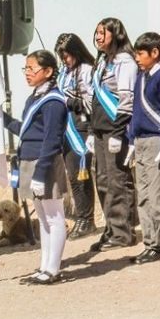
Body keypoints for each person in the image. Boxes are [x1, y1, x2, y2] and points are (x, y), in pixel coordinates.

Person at [4, 50, 70, 284]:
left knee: (54, 216)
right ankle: (44, 266)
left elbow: (52, 139)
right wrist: (3, 119)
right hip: (29, 160)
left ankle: (53, 270)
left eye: (32, 68)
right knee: (42, 218)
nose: (27, 73)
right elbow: (28, 131)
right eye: (26, 68)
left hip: (45, 162)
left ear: (48, 71)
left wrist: (41, 173)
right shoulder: (34, 98)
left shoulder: (53, 102)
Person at [128, 32, 160, 264]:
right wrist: (131, 140)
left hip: (157, 142)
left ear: (155, 53)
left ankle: (159, 244)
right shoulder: (142, 76)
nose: (137, 58)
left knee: (157, 195)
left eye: (140, 53)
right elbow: (136, 110)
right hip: (140, 141)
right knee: (144, 194)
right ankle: (149, 242)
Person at [88, 18, 138, 253]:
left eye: (103, 33)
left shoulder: (125, 62)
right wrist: (91, 130)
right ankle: (111, 227)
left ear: (116, 35)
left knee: (117, 180)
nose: (98, 37)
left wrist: (118, 133)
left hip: (115, 129)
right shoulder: (102, 61)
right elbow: (94, 97)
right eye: (97, 33)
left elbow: (127, 99)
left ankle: (122, 233)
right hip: (100, 128)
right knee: (102, 181)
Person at [54, 32, 98, 240]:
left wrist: (69, 101)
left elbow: (92, 103)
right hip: (65, 127)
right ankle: (81, 216)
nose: (65, 60)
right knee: (72, 176)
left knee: (80, 174)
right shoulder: (64, 72)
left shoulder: (87, 70)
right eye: (61, 56)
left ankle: (86, 219)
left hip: (80, 127)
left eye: (67, 55)